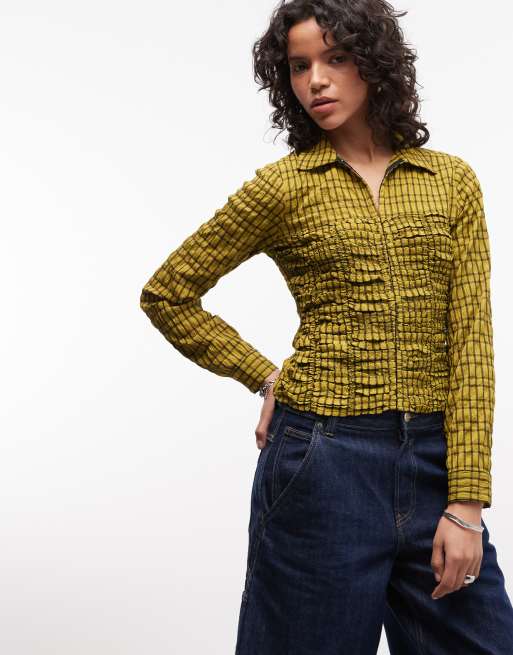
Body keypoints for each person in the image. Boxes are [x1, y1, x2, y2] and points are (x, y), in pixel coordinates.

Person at [139, 0, 513, 652]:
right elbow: (168, 293)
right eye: (298, 65)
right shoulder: (284, 187)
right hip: (320, 462)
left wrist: (467, 500)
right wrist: (264, 376)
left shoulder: (450, 181)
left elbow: (471, 344)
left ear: (374, 62)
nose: (315, 80)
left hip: (435, 465)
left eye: (335, 58)